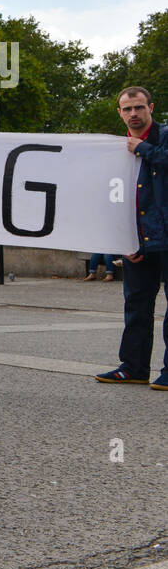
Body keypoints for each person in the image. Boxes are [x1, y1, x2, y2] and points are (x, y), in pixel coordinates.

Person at [97, 87, 168, 388]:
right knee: (136, 305)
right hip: (137, 241)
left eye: (139, 107)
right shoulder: (115, 148)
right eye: (127, 109)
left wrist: (142, 149)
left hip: (165, 236)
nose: (133, 114)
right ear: (119, 113)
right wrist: (122, 240)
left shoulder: (163, 137)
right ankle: (133, 367)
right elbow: (110, 199)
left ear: (151, 107)